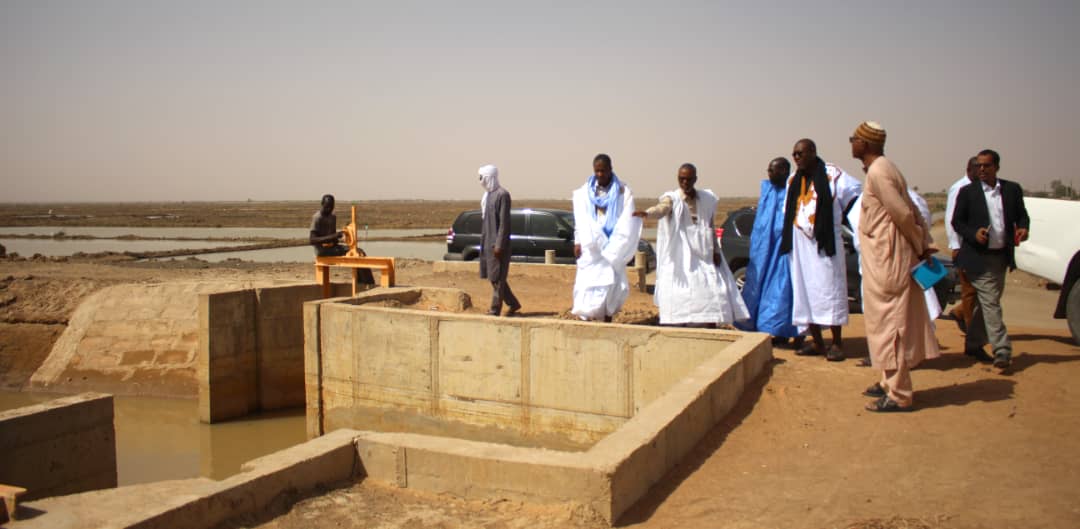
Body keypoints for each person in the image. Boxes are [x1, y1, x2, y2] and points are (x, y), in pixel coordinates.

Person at [851, 121, 940, 412]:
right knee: (883, 322)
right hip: (883, 258)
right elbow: (910, 209)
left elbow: (904, 214)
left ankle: (899, 393)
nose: (851, 143)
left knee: (891, 324)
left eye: (854, 139)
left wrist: (921, 245)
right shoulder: (884, 169)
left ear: (865, 144)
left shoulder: (879, 171)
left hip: (889, 260)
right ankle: (888, 381)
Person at [632, 163, 748, 326]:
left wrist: (715, 251)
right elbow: (661, 209)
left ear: (695, 179)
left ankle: (708, 324)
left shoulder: (705, 200)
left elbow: (710, 226)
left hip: (703, 253)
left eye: (688, 179)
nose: (685, 183)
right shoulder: (673, 198)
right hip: (681, 255)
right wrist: (647, 213)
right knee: (681, 292)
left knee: (710, 290)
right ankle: (681, 324)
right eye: (681, 179)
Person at [780, 139, 860, 361]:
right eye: (794, 154)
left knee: (830, 290)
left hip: (825, 245)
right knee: (805, 292)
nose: (796, 158)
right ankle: (816, 341)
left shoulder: (833, 175)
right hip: (800, 248)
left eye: (800, 153)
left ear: (813, 152)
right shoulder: (793, 180)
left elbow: (855, 198)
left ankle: (837, 343)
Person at [951, 149, 1030, 369]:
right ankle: (1002, 350)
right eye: (979, 165)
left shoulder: (1012, 190)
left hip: (1000, 257)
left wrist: (1023, 228)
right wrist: (973, 234)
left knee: (987, 303)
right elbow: (957, 222)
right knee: (991, 302)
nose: (982, 169)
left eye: (987, 165)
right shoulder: (968, 192)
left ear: (996, 167)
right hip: (976, 258)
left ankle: (973, 344)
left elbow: (1022, 215)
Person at [571, 153, 642, 322]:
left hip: (612, 245)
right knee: (588, 284)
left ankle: (607, 318)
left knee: (610, 284)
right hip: (592, 246)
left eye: (603, 170)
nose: (600, 174)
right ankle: (589, 318)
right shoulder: (584, 192)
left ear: (611, 169)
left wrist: (618, 243)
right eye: (597, 171)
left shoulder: (623, 191)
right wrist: (578, 240)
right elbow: (580, 219)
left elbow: (627, 220)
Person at [736, 158, 800, 343]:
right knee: (761, 291)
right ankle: (775, 332)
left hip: (785, 252)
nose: (769, 174)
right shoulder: (768, 192)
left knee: (784, 293)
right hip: (764, 253)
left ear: (784, 171)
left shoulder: (794, 192)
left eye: (773, 170)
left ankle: (793, 333)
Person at [477, 164, 521, 316]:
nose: (480, 180)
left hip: (498, 245)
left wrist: (499, 245)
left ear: (488, 177)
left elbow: (504, 223)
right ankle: (513, 304)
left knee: (498, 278)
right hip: (487, 241)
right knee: (494, 277)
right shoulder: (488, 196)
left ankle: (495, 309)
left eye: (481, 177)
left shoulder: (502, 195)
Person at [944, 157, 980, 334]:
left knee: (980, 289)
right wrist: (955, 246)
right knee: (970, 290)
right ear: (969, 170)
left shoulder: (980, 188)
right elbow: (951, 219)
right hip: (964, 247)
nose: (982, 172)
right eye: (978, 169)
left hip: (978, 247)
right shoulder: (959, 188)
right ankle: (971, 329)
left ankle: (960, 313)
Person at [309, 194, 374, 284]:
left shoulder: (333, 217)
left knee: (359, 252)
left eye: (331, 207)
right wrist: (334, 236)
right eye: (327, 207)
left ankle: (364, 283)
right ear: (322, 204)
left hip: (332, 248)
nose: (329, 209)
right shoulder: (317, 218)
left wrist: (343, 236)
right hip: (322, 250)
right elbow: (312, 240)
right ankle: (366, 283)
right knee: (356, 254)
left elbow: (333, 237)